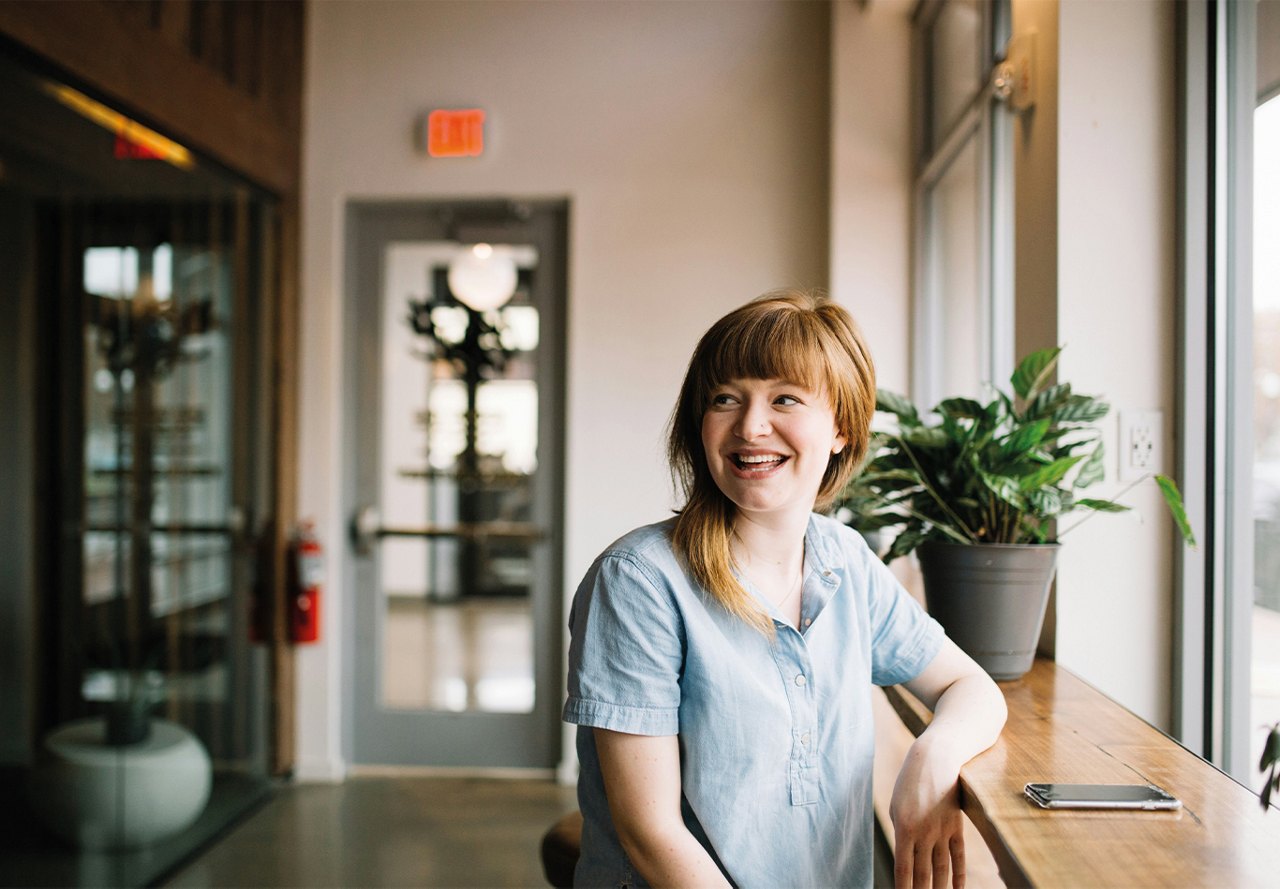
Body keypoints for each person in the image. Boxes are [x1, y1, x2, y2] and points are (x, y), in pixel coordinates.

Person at [563, 289, 1007, 889]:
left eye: (784, 399)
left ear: (841, 429)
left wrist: (933, 755)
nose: (750, 426)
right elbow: (652, 835)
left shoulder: (844, 559)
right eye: (725, 399)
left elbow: (970, 686)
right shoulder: (638, 579)